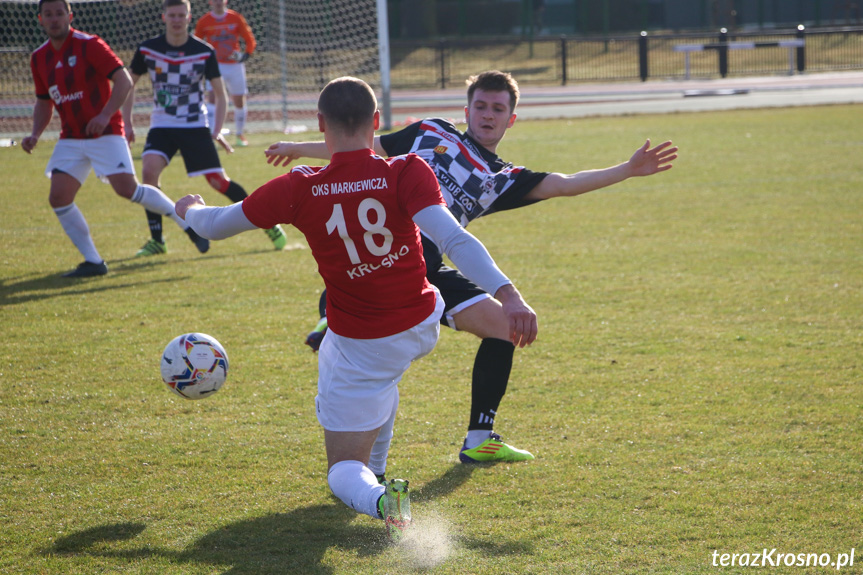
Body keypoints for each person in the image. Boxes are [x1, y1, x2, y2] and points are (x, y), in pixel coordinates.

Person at [175, 76, 538, 540]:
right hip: (422, 320)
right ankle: (380, 468)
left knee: (342, 472)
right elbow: (454, 239)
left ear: (321, 125)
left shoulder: (297, 187)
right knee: (377, 377)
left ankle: (381, 498)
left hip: (364, 340)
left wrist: (189, 209)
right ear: (377, 123)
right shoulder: (406, 170)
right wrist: (509, 294)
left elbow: (217, 224)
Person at [265, 70, 678, 464]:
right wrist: (298, 148)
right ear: (466, 112)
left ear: (511, 119)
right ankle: (329, 321)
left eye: (498, 109)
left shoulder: (502, 177)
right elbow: (363, 146)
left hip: (432, 269)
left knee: (505, 327)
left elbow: (565, 184)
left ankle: (480, 439)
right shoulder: (431, 131)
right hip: (393, 258)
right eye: (480, 106)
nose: (487, 115)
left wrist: (627, 169)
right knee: (370, 278)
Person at [21, 0, 207, 278]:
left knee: (127, 189)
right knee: (58, 196)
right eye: (48, 14)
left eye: (59, 13)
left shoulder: (89, 45)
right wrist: (35, 133)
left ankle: (187, 223)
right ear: (40, 19)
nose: (54, 19)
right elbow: (43, 101)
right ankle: (93, 262)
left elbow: (124, 80)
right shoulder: (39, 57)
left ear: (70, 16)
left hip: (105, 132)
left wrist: (105, 115)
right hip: (71, 137)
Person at [123, 0, 287, 257]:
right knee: (149, 175)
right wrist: (127, 122)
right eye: (172, 15)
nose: (177, 19)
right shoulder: (148, 49)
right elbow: (126, 84)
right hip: (162, 124)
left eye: (181, 15)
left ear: (189, 18)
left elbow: (221, 96)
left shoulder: (203, 51)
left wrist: (216, 129)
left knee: (218, 182)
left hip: (194, 124)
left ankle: (268, 225)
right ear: (164, 16)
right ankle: (157, 240)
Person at [194, 0, 256, 147]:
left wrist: (245, 55)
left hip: (235, 66)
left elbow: (250, 40)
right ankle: (211, 134)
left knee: (239, 100)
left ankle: (240, 134)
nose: (218, 2)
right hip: (215, 66)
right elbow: (196, 43)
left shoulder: (235, 18)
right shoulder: (204, 21)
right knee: (213, 98)